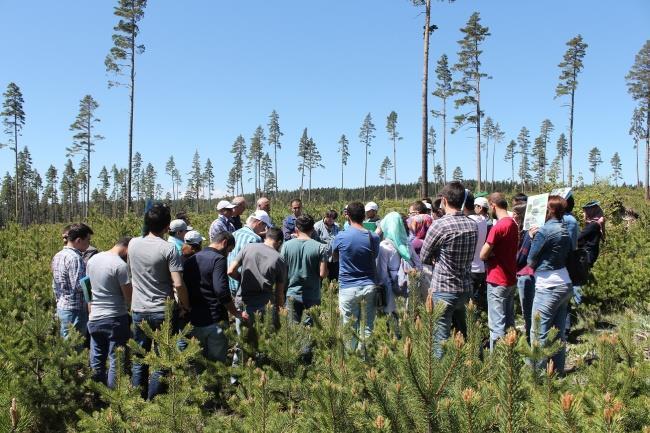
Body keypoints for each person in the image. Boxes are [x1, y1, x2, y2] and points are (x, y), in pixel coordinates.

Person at [128, 203, 190, 400]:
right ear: (166, 228)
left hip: (138, 308)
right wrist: (185, 306)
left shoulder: (133, 244)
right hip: (163, 310)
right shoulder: (169, 249)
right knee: (164, 358)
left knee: (139, 359)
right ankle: (154, 400)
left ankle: (138, 401)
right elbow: (178, 284)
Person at [420, 182, 477, 353]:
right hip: (465, 287)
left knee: (440, 339)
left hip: (444, 288)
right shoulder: (472, 224)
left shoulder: (440, 225)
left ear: (444, 200)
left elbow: (424, 256)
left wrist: (436, 257)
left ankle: (440, 378)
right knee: (464, 337)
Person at [183, 231, 246, 362]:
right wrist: (235, 312)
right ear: (224, 243)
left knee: (198, 363)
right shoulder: (218, 259)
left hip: (195, 319)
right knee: (217, 365)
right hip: (214, 319)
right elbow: (221, 290)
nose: (228, 254)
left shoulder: (191, 260)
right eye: (229, 251)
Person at [528, 195, 573, 373]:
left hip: (548, 286)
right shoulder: (565, 228)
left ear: (550, 210)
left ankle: (537, 377)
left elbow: (531, 260)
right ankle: (557, 372)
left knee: (539, 332)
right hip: (564, 283)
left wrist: (533, 238)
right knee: (558, 333)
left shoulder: (544, 231)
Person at [331, 201, 380, 352]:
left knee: (348, 327)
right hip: (369, 286)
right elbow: (375, 256)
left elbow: (334, 257)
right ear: (364, 216)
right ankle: (365, 360)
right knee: (367, 327)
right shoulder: (373, 237)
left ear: (348, 216)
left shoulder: (340, 237)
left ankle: (350, 362)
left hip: (348, 287)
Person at [86, 237, 132, 388]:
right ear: (126, 248)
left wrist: (90, 310)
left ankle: (98, 395)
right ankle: (114, 397)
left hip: (94, 317)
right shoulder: (120, 266)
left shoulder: (93, 260)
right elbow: (128, 297)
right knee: (116, 360)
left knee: (97, 359)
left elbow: (87, 286)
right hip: (115, 317)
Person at [480, 192, 519, 350]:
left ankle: (496, 361)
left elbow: (483, 254)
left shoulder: (498, 227)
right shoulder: (513, 224)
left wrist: (491, 253)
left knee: (496, 325)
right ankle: (511, 356)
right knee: (509, 322)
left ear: (492, 205)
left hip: (497, 279)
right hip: (510, 278)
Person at [377, 211, 422, 333]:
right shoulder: (407, 243)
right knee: (406, 320)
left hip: (391, 289)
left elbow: (382, 274)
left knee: (393, 323)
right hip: (407, 287)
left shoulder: (384, 246)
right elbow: (418, 265)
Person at [227, 227, 287, 318]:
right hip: (263, 304)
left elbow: (230, 271)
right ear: (279, 242)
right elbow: (279, 292)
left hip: (242, 301)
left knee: (242, 331)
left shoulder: (248, 247)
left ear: (265, 237)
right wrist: (281, 312)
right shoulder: (279, 259)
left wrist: (243, 278)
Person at [281, 215, 328, 323]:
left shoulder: (286, 246)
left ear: (296, 229)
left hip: (292, 292)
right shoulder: (320, 247)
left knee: (293, 329)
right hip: (312, 294)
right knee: (311, 329)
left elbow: (283, 271)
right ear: (312, 229)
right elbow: (323, 274)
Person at [52, 223, 94, 339]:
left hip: (62, 307)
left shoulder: (58, 255)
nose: (89, 244)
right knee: (75, 348)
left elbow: (54, 284)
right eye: (88, 240)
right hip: (75, 310)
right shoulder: (75, 258)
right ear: (79, 240)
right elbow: (79, 286)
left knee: (66, 344)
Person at [228, 210, 273, 296]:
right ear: (259, 223)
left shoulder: (234, 234)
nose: (264, 230)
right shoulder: (255, 239)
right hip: (243, 286)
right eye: (264, 226)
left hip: (230, 284)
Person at [512, 204, 535, 343]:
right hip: (525, 274)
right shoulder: (523, 231)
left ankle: (530, 341)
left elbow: (521, 258)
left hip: (525, 275)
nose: (513, 216)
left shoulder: (527, 232)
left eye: (515, 213)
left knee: (528, 310)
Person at [466, 195, 488, 313]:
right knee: (474, 300)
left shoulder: (470, 220)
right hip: (480, 267)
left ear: (479, 207)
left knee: (468, 303)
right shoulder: (483, 220)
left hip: (471, 268)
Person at [313, 209, 340, 280]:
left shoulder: (337, 227)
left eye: (333, 218)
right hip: (322, 257)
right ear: (326, 216)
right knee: (320, 277)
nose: (331, 220)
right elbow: (314, 241)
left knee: (334, 278)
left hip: (333, 257)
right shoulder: (317, 226)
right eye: (329, 217)